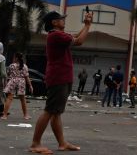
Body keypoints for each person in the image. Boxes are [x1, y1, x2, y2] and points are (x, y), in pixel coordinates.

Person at [29, 10, 92, 154]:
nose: (64, 20)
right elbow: (79, 41)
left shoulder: (59, 35)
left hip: (62, 77)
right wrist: (88, 26)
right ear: (54, 22)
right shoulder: (56, 35)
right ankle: (35, 143)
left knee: (56, 112)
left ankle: (62, 143)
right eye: (61, 19)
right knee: (50, 110)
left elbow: (75, 37)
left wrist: (86, 25)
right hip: (58, 78)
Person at [1, 52, 33, 120]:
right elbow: (26, 77)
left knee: (9, 98)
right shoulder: (24, 66)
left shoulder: (11, 65)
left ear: (16, 58)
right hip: (21, 82)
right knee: (23, 99)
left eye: (14, 57)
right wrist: (30, 86)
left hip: (13, 81)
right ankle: (26, 115)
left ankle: (4, 115)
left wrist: (5, 83)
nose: (13, 58)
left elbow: (8, 75)